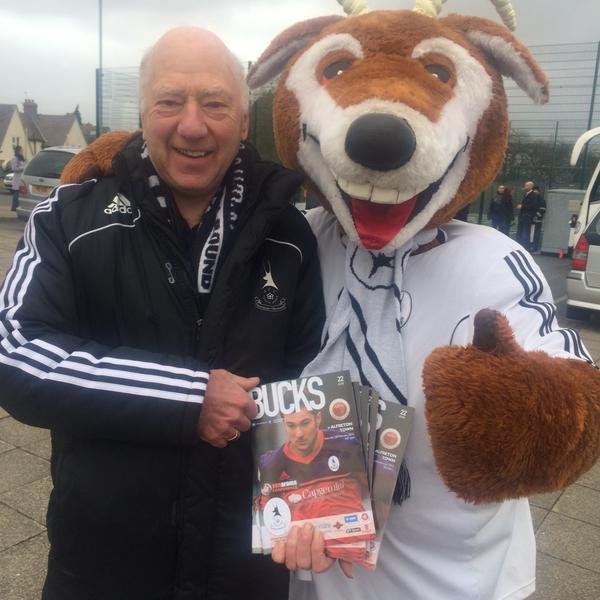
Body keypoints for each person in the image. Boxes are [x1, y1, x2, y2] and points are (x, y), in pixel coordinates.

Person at [0, 27, 324, 600]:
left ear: (244, 121)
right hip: (102, 571)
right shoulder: (68, 219)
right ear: (144, 114)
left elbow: (312, 380)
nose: (192, 125)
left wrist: (321, 508)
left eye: (216, 103)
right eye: (170, 102)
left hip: (244, 575)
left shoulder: (290, 236)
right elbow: (16, 355)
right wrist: (187, 397)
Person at [260, 409, 368, 522]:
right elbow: (270, 513)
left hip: (353, 532)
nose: (299, 434)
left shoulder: (347, 444)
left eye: (305, 423)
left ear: (318, 419)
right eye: (291, 425)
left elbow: (374, 493)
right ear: (284, 425)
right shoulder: (271, 463)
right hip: (303, 537)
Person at [516, 180, 540, 250]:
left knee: (525, 234)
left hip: (527, 217)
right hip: (522, 217)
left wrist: (522, 206)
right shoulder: (526, 194)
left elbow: (533, 206)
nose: (525, 187)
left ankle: (525, 248)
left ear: (530, 186)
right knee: (520, 232)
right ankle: (520, 247)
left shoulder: (534, 195)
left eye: (526, 185)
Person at [9, 145, 26, 211]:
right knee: (16, 194)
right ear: (18, 151)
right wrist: (23, 168)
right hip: (17, 179)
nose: (22, 152)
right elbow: (14, 168)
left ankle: (18, 207)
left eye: (22, 151)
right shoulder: (15, 158)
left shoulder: (22, 158)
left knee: (20, 194)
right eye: (21, 150)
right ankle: (13, 208)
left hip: (22, 179)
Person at [530, 185, 546, 252]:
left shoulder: (541, 199)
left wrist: (536, 215)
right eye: (534, 191)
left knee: (536, 234)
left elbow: (543, 209)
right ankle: (531, 246)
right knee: (531, 234)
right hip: (531, 219)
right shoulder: (532, 198)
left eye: (536, 191)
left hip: (537, 220)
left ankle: (534, 247)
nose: (535, 192)